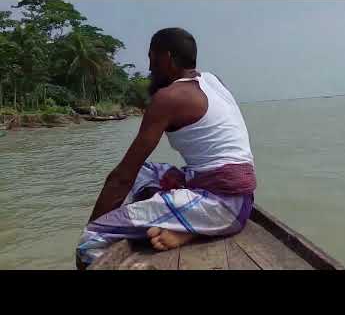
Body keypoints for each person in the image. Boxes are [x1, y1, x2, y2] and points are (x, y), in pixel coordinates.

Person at [76, 28, 256, 267]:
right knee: (146, 171)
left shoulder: (168, 98)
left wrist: (95, 226)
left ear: (167, 58)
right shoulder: (212, 81)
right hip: (241, 201)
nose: (150, 68)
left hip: (222, 207)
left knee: (90, 242)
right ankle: (184, 225)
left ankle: (184, 222)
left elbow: (122, 177)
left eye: (152, 59)